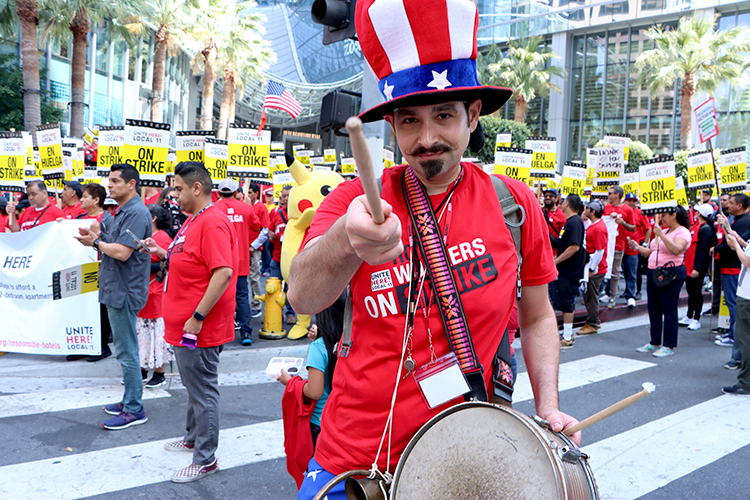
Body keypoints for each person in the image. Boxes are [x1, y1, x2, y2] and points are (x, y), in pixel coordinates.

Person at [288, 2, 580, 496]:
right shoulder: (356, 200)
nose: (427, 139)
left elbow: (535, 316)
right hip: (354, 463)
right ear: (394, 126)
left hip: (465, 462)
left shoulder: (515, 204)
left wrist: (548, 405)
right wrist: (347, 241)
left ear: (472, 115)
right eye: (409, 121)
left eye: (443, 115)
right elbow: (301, 296)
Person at [141, 161, 238, 483]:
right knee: (194, 386)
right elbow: (192, 261)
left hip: (198, 329)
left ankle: (205, 459)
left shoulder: (211, 222)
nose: (174, 195)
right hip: (186, 326)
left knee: (202, 390)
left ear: (197, 188)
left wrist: (197, 317)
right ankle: (192, 438)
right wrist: (162, 252)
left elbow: (222, 272)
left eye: (179, 188)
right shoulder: (194, 221)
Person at [74, 163, 152, 429]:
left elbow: (121, 252)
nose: (110, 185)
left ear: (131, 184)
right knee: (124, 350)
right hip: (116, 288)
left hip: (124, 291)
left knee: (127, 352)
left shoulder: (137, 213)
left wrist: (95, 242)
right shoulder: (123, 211)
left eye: (115, 181)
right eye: (110, 181)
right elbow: (114, 241)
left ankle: (134, 409)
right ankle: (130, 398)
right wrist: (97, 235)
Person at [277, 291, 346, 485]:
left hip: (319, 424)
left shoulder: (319, 348)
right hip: (343, 418)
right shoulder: (352, 341)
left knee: (320, 473)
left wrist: (290, 382)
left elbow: (314, 391)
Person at [630, 206, 691, 357]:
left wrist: (661, 236)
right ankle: (654, 341)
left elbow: (676, 249)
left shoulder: (682, 232)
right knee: (654, 309)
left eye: (664, 215)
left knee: (669, 309)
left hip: (670, 273)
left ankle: (669, 345)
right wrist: (637, 247)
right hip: (653, 272)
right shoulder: (663, 231)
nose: (662, 218)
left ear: (674, 215)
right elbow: (652, 252)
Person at [65, 183, 116, 362]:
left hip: (102, 268)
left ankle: (101, 346)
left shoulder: (109, 219)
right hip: (81, 268)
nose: (81, 199)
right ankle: (83, 345)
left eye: (85, 196)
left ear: (96, 200)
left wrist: (99, 234)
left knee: (100, 308)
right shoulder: (79, 218)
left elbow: (114, 242)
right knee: (82, 306)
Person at [215, 178, 261, 345]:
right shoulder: (246, 208)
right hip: (240, 260)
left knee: (219, 295)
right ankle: (246, 333)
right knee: (242, 297)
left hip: (219, 261)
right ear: (236, 193)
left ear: (219, 193)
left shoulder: (213, 208)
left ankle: (220, 332)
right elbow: (257, 226)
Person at [136, 204, 175, 388]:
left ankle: (159, 372)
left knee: (156, 334)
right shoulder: (146, 236)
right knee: (143, 333)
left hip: (156, 292)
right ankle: (142, 369)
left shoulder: (162, 237)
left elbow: (167, 264)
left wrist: (141, 268)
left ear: (152, 218)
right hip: (143, 292)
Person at [714, 194, 750, 356]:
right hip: (734, 269)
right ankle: (733, 337)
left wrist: (733, 242)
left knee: (735, 306)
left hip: (737, 270)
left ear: (740, 206)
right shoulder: (737, 220)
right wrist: (728, 227)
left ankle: (736, 349)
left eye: (731, 203)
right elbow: (742, 243)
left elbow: (744, 256)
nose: (727, 205)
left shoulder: (745, 221)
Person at [552, 195, 585, 348]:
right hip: (565, 269)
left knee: (567, 304)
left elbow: (574, 247)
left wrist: (556, 261)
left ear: (566, 203)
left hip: (569, 270)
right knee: (563, 302)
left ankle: (567, 336)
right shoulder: (571, 222)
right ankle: (565, 334)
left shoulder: (575, 222)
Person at [680, 204, 715, 331]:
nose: (695, 213)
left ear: (700, 214)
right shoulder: (695, 227)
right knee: (690, 291)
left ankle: (696, 319)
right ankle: (689, 316)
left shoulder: (705, 229)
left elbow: (704, 251)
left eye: (697, 211)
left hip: (696, 266)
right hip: (689, 264)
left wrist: (698, 268)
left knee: (696, 292)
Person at [723, 231, 750, 394]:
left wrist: (736, 247)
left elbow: (747, 261)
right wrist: (740, 243)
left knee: (745, 339)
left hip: (747, 296)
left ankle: (746, 382)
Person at [601, 186, 635, 308]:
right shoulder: (605, 208)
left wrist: (623, 223)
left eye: (610, 193)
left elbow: (633, 227)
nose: (608, 195)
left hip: (618, 244)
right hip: (604, 244)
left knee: (615, 270)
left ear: (617, 195)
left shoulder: (628, 210)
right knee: (603, 268)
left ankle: (613, 296)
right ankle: (606, 292)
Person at [578, 200, 608, 336]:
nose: (585, 210)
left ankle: (592, 323)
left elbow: (599, 250)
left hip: (594, 268)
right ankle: (593, 320)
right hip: (591, 266)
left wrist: (592, 269)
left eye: (587, 209)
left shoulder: (599, 228)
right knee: (589, 295)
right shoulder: (594, 225)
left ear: (593, 211)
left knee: (591, 296)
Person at [268, 185, 297, 325]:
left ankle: (290, 313)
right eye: (283, 196)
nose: (285, 198)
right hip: (277, 258)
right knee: (274, 287)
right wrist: (272, 235)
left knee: (291, 288)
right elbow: (270, 231)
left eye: (288, 195)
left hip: (293, 259)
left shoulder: (299, 214)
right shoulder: (277, 213)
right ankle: (274, 312)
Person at [245, 182, 270, 318]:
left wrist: (253, 245)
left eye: (250, 192)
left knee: (254, 277)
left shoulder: (261, 208)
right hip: (242, 247)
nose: (247, 195)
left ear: (256, 193)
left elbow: (265, 230)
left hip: (254, 249)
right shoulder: (243, 205)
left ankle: (256, 305)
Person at [623, 193, 651, 305]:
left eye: (633, 201)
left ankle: (634, 292)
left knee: (634, 270)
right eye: (629, 200)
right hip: (620, 246)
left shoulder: (640, 213)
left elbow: (648, 229)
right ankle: (627, 290)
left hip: (634, 247)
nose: (631, 203)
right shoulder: (621, 211)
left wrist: (644, 245)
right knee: (623, 271)